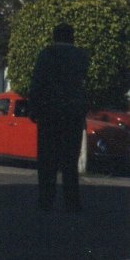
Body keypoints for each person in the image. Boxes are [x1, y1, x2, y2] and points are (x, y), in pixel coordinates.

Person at [28, 22, 89, 213]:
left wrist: (34, 108)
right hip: (73, 115)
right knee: (70, 161)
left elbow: (37, 83)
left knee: (47, 160)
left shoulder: (46, 55)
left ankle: (46, 201)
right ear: (72, 37)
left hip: (49, 113)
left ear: (55, 36)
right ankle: (72, 202)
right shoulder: (81, 56)